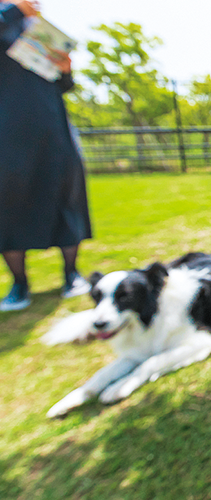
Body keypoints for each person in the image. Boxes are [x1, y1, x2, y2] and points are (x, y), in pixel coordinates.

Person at [0, 0, 92, 311]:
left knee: (66, 196)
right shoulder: (6, 22)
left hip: (54, 129)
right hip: (8, 133)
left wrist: (67, 71)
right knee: (8, 204)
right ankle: (20, 283)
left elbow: (61, 85)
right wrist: (14, 10)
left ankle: (71, 273)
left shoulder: (40, 31)